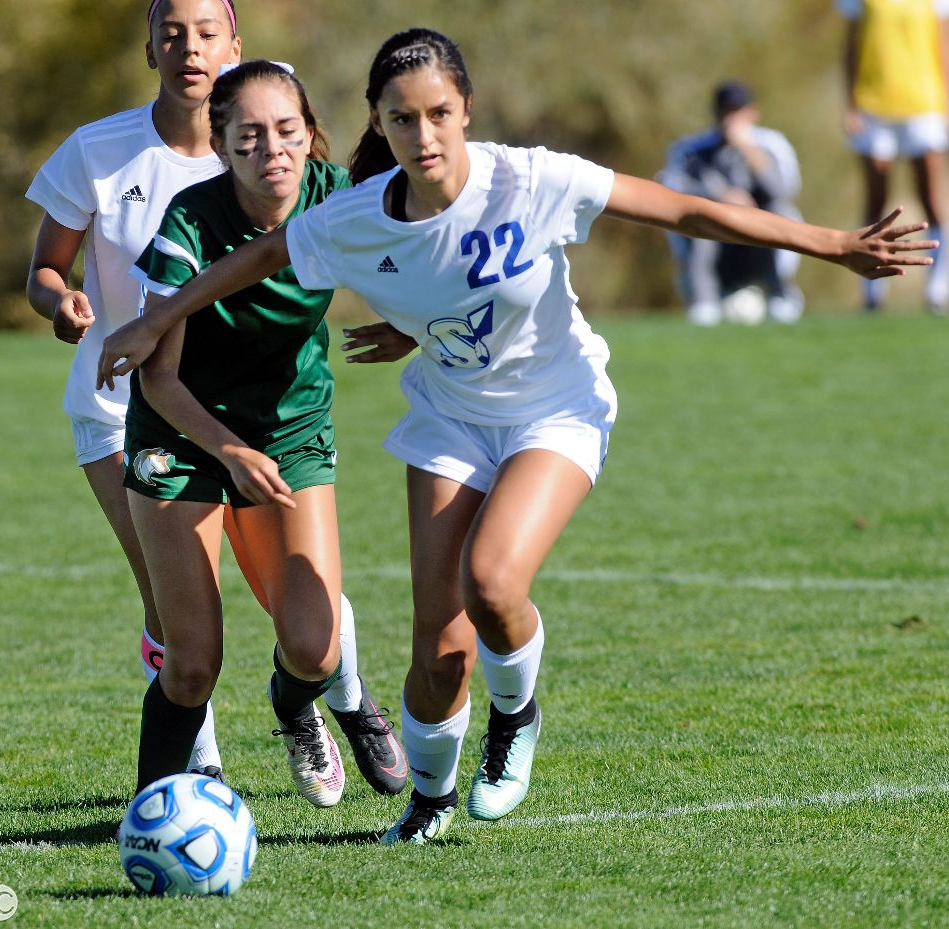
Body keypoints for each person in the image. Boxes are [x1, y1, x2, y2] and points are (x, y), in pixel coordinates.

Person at [96, 28, 934, 843]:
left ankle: (517, 713)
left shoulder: (532, 180)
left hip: (555, 410)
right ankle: (429, 800)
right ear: (377, 124)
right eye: (402, 119)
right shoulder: (353, 214)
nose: (423, 136)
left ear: (466, 109)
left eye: (438, 114)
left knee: (492, 581)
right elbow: (267, 254)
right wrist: (162, 317)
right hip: (450, 418)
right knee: (437, 652)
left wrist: (830, 242)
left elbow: (681, 209)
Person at [25, 0, 406, 795]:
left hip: (277, 422)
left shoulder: (310, 178)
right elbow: (59, 280)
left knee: (308, 623)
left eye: (206, 33)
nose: (189, 48)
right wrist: (61, 302)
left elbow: (404, 243)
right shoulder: (125, 171)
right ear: (149, 47)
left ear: (236, 47)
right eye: (172, 33)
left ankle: (327, 695)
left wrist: (415, 324)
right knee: (181, 633)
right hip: (140, 408)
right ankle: (182, 785)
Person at [117, 58, 409, 801]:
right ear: (220, 147)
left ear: (311, 135)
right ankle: (152, 810)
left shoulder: (337, 200)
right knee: (191, 662)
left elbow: (416, 261)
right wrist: (228, 450)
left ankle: (297, 708)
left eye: (287, 130)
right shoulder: (189, 222)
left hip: (290, 429)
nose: (270, 149)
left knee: (314, 646)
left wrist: (411, 326)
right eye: (249, 136)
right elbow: (160, 375)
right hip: (182, 436)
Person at [659, 80, 804, 325]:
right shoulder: (691, 149)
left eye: (736, 111)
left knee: (778, 214)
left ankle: (779, 294)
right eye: (725, 111)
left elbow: (782, 191)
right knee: (697, 222)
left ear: (752, 113)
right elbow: (667, 192)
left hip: (759, 235)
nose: (729, 118)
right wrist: (720, 197)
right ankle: (704, 303)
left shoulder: (772, 143)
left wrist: (747, 148)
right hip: (715, 237)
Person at [838, 0, 949, 313]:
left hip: (923, 104)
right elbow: (851, 47)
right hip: (874, 105)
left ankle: (937, 289)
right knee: (876, 199)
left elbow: (942, 45)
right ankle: (873, 291)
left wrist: (946, 106)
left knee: (931, 197)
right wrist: (851, 104)